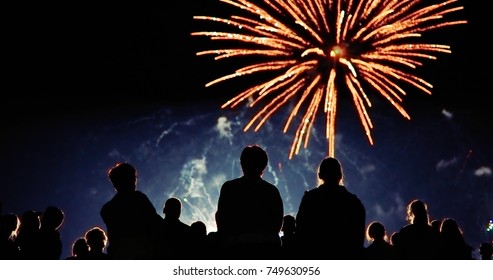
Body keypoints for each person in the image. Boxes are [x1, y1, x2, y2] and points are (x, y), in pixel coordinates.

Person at [215, 144, 284, 259]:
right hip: (266, 251)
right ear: (264, 166)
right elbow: (277, 224)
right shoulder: (272, 191)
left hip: (235, 250)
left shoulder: (229, 188)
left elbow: (222, 219)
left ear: (242, 163)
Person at [295, 157, 366, 259]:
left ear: (320, 175)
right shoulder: (354, 202)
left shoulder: (310, 199)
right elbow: (358, 240)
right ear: (341, 176)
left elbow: (300, 230)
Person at [100, 162, 162, 259]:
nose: (135, 180)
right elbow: (156, 223)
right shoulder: (138, 198)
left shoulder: (107, 209)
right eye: (133, 177)